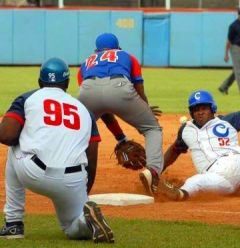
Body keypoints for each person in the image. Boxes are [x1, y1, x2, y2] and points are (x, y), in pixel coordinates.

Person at [0, 58, 113, 242]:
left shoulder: (27, 98)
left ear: (40, 81)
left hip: (33, 171)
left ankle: (13, 224)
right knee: (72, 228)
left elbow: (6, 136)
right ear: (67, 83)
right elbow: (91, 162)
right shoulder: (85, 110)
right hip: (73, 180)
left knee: (14, 146)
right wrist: (80, 196)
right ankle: (86, 221)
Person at [77, 33, 163, 196]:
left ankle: (66, 172)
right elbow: (139, 88)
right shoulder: (127, 56)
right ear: (118, 47)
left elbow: (102, 109)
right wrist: (145, 108)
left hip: (87, 90)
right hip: (120, 87)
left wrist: (121, 138)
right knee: (152, 129)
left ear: (96, 50)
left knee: (77, 133)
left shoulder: (86, 63)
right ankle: (153, 173)